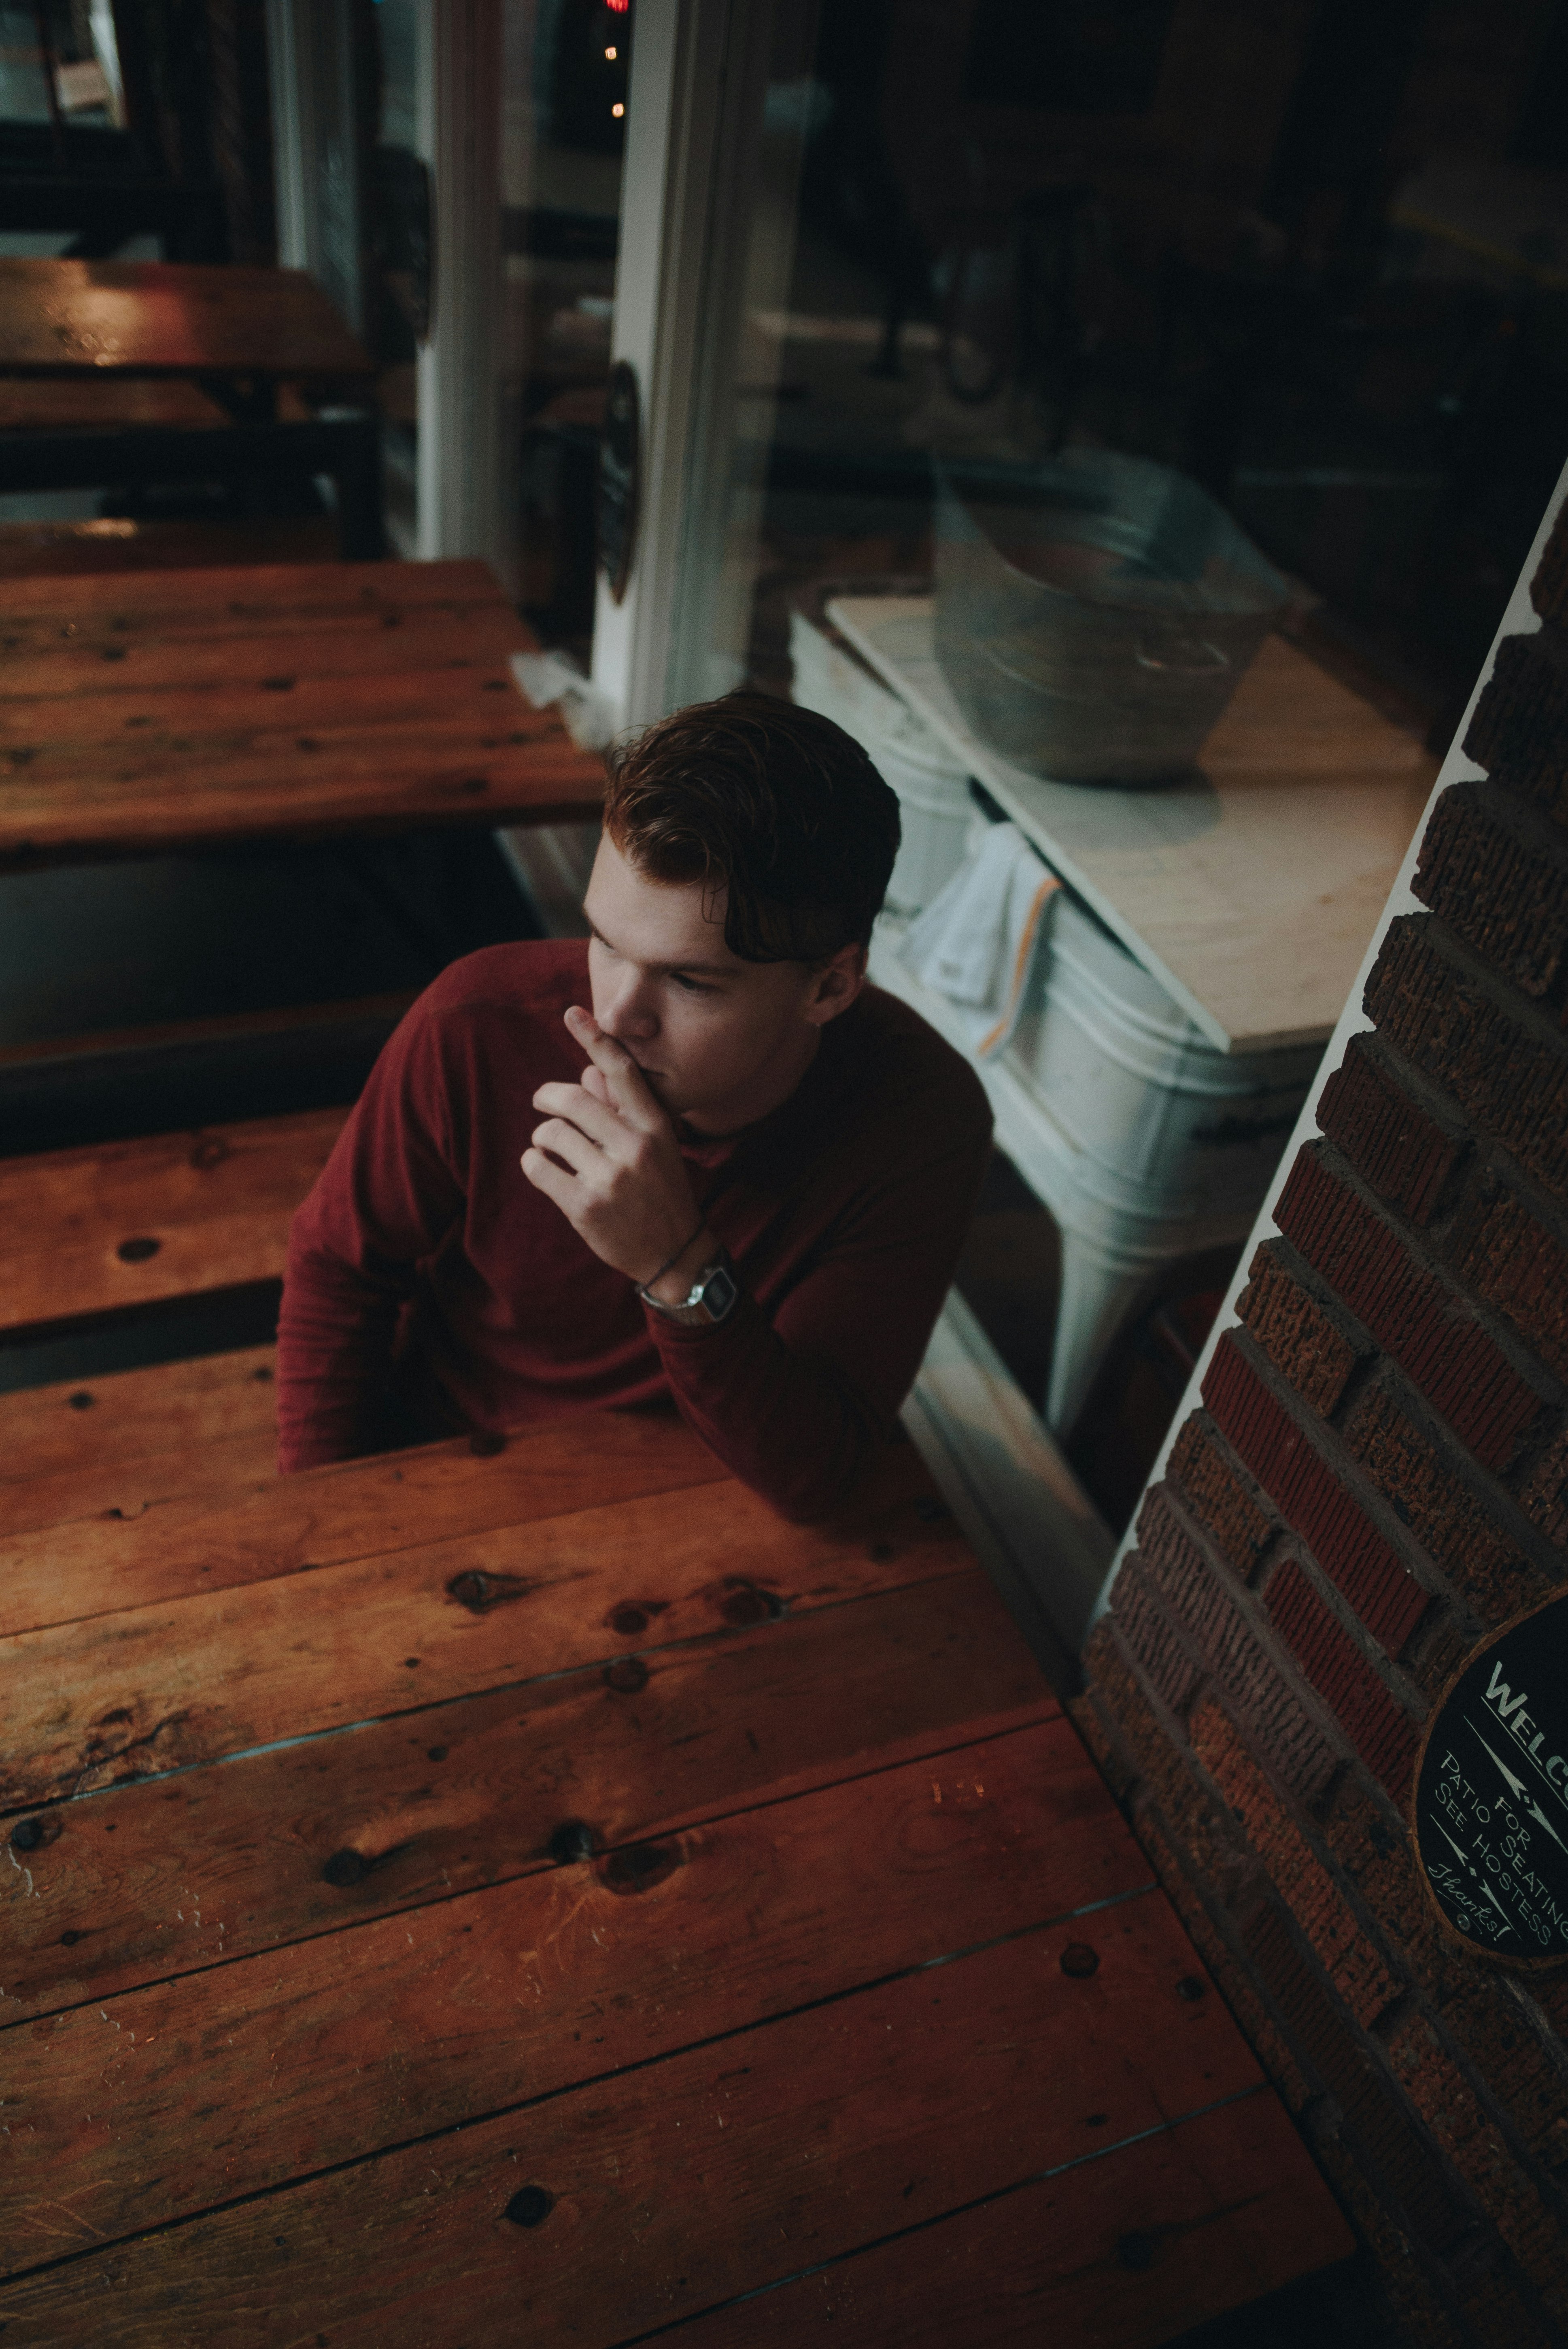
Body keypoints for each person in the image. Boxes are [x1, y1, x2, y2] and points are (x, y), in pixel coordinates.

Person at [276, 689, 993, 1521]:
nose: (614, 1016)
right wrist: (319, 1520)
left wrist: (674, 1265)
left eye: (689, 980)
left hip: (707, 1497)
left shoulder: (919, 1120)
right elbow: (339, 1270)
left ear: (828, 987)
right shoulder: (474, 1023)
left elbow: (819, 1476)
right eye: (606, 944)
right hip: (451, 1449)